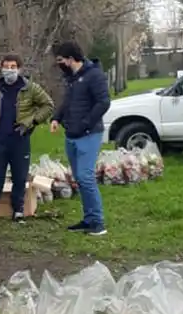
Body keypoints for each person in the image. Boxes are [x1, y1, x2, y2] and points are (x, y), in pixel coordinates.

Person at [0, 54, 54, 224]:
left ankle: (18, 210)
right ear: (1, 68)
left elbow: (48, 105)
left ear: (19, 69)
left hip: (19, 139)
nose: (9, 70)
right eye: (6, 67)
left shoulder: (30, 88)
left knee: (19, 176)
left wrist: (32, 121)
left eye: (13, 67)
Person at [50, 41, 111, 236]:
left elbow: (103, 102)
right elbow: (68, 102)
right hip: (71, 135)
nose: (59, 64)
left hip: (88, 134)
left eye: (60, 60)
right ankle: (88, 219)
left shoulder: (94, 75)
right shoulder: (72, 78)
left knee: (86, 177)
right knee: (79, 179)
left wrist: (85, 124)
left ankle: (98, 223)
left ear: (70, 59)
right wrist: (56, 118)